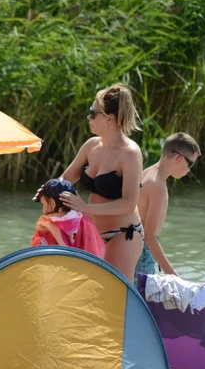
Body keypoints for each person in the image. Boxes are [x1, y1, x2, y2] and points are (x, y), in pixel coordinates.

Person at [57, 83, 145, 281]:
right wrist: (50, 189)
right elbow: (66, 178)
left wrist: (85, 208)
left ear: (110, 119)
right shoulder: (91, 146)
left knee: (115, 294)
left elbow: (129, 204)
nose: (89, 117)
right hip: (91, 232)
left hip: (122, 234)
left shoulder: (130, 153)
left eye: (93, 113)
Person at [137, 133, 201, 279]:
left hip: (133, 247)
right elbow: (150, 237)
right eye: (190, 164)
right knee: (143, 300)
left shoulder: (146, 173)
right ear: (179, 158)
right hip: (143, 254)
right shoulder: (158, 186)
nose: (189, 170)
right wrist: (175, 278)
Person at [30, 178, 105, 257]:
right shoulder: (86, 223)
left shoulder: (45, 226)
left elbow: (35, 255)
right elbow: (95, 254)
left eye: (43, 204)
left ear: (52, 203)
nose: (43, 209)